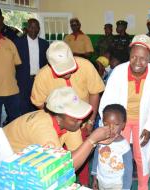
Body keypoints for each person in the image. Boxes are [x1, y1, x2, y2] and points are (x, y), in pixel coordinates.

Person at [31, 40, 104, 186]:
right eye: (62, 71)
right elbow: (39, 103)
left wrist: (90, 121)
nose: (68, 73)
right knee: (58, 162)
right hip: (58, 125)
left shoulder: (86, 66)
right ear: (51, 65)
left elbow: (94, 92)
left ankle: (83, 185)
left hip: (84, 120)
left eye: (70, 68)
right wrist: (57, 121)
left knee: (81, 155)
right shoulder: (43, 76)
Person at [99, 34, 150, 190]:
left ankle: (143, 186)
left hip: (143, 120)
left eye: (143, 58)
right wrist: (110, 125)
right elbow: (106, 101)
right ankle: (119, 185)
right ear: (129, 54)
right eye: (134, 57)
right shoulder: (119, 72)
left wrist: (148, 127)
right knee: (118, 154)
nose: (138, 62)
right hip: (121, 122)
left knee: (142, 157)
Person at [0, 14, 21, 127]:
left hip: (12, 91)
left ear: (1, 26)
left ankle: (13, 143)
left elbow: (17, 63)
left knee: (15, 121)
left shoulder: (9, 43)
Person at [92, 104, 133, 190]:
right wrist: (95, 176)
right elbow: (96, 157)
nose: (111, 128)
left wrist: (126, 188)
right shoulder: (101, 140)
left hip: (117, 184)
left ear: (123, 125)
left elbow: (128, 171)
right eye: (106, 124)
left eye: (116, 124)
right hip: (101, 180)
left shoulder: (124, 147)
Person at [14, 18, 49, 114]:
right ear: (27, 28)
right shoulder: (17, 43)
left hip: (39, 79)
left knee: (38, 105)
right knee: (23, 106)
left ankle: (35, 125)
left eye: (36, 27)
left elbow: (47, 63)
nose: (33, 29)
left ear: (39, 29)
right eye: (31, 27)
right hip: (23, 80)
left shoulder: (44, 44)